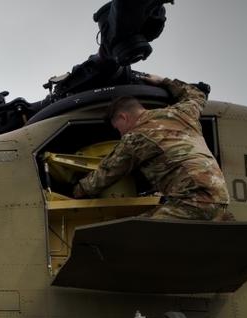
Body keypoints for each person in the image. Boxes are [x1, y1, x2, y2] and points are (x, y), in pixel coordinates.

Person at [72, 74, 233, 221]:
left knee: (133, 232)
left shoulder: (136, 138)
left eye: (117, 128)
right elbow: (197, 95)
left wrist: (77, 190)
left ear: (123, 117)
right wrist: (163, 81)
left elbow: (106, 173)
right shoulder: (180, 113)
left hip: (192, 200)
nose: (120, 134)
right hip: (220, 198)